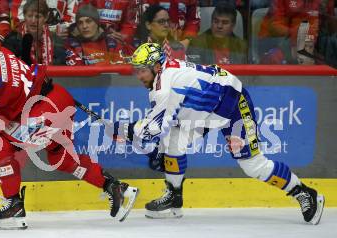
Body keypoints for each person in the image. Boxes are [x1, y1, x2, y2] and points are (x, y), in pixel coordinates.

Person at [0, 39, 139, 229]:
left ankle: (13, 206)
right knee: (62, 160)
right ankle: (116, 188)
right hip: (56, 98)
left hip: (42, 114)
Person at [113, 42, 324, 225]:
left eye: (141, 70)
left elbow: (151, 129)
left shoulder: (165, 87)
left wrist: (120, 129)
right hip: (205, 109)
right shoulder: (162, 76)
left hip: (233, 105)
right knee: (173, 142)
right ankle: (174, 197)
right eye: (136, 70)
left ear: (156, 66)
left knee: (253, 165)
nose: (138, 75)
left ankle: (304, 192)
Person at [258, 0, 335, 64]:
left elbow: (331, 27)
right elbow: (273, 26)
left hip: (317, 45)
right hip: (284, 43)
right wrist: (296, 33)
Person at [65, 4, 132, 65]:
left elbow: (121, 68)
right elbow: (77, 72)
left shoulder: (112, 43)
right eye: (80, 23)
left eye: (89, 21)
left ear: (97, 23)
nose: (84, 26)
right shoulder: (72, 44)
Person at [3, 0, 65, 66]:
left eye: (38, 17)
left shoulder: (57, 41)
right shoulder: (11, 40)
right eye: (29, 16)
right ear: (24, 16)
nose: (33, 21)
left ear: (46, 18)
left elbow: (59, 67)